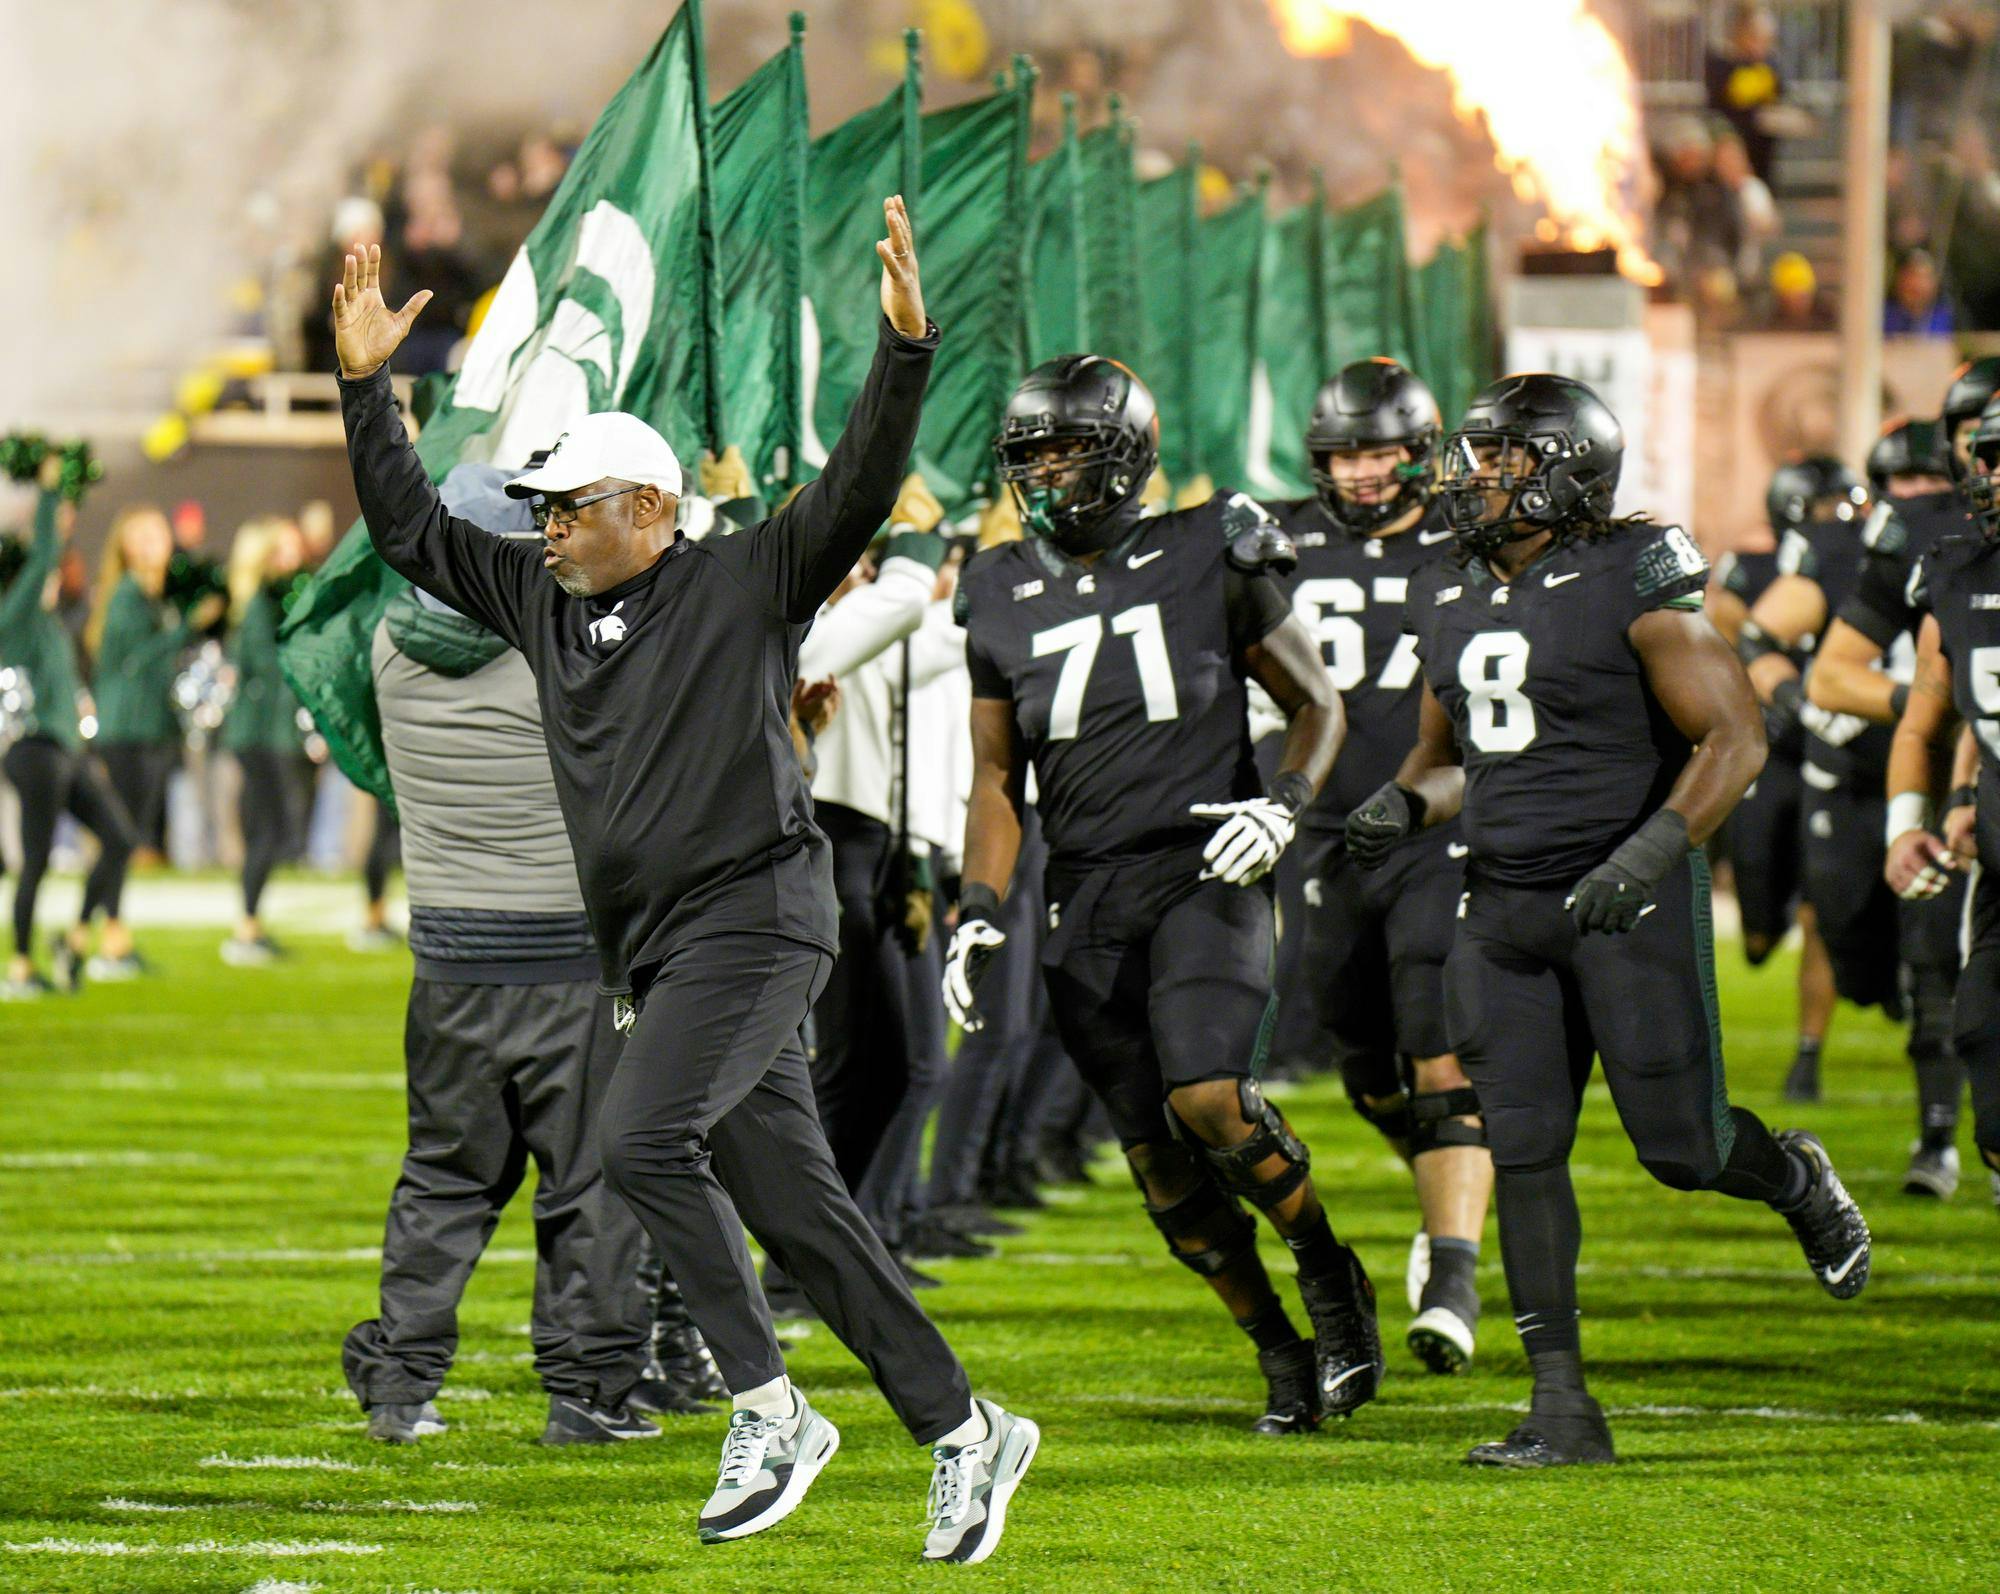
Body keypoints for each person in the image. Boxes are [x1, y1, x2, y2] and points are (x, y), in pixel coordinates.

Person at [331, 209, 1036, 1563]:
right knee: (806, 1219)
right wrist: (370, 392)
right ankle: (964, 1429)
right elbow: (414, 533)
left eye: (567, 505)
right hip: (654, 950)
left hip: (758, 915)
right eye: (536, 507)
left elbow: (856, 481)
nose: (542, 525)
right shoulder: (540, 598)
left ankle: (769, 1407)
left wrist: (904, 349)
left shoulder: (745, 577)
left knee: (642, 1137)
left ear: (649, 510)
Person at [1348, 373, 1870, 1468]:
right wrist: (1401, 801)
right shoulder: (1446, 587)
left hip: (1620, 899)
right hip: (1498, 908)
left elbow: (1732, 738)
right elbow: (1449, 762)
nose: (1472, 479)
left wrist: (1645, 854)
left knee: (1679, 1149)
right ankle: (1561, 1407)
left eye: (1500, 460)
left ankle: (1791, 1176)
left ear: (1563, 472)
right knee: (1524, 1146)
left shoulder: (1625, 573)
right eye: (1471, 458)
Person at [945, 352, 1380, 1437]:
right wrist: (978, 906)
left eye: (1065, 449)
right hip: (1083, 891)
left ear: (1125, 455)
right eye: (1028, 453)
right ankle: (1275, 1348)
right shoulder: (996, 584)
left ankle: (1326, 1270)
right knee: (1154, 1160)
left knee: (1206, 1098)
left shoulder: (1207, 547)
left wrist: (1281, 803)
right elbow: (995, 777)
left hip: (1205, 865)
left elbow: (1317, 704)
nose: (1042, 472)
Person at [342, 463, 701, 1445]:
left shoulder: (384, 645)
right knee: (588, 1184)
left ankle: (399, 1388)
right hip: (567, 960)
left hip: (449, 959)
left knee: (443, 1178)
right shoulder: (558, 644)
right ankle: (587, 1393)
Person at [1259, 359, 1491, 1375]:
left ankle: (1453, 1275)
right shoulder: (1277, 541)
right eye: (1342, 453)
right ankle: (1454, 1184)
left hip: (1433, 825)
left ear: (1419, 451)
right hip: (1318, 834)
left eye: (1376, 450)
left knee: (1436, 1046)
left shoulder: (1469, 537)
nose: (1356, 472)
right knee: (1361, 1062)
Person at [1806, 406, 1980, 1195]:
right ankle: (1940, 1137)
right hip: (1942, 782)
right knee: (1925, 964)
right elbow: (1830, 670)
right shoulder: (1931, 543)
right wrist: (1942, 704)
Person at [1884, 395, 2000, 1203]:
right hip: (1997, 868)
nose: (1991, 475)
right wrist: (1915, 821)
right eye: (1988, 456)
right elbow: (1929, 722)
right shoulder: (1956, 569)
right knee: (1981, 1042)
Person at [0, 458, 138, 1000]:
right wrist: (51, 495)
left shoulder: (50, 624)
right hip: (33, 749)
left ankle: (74, 939)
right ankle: (19, 966)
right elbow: (42, 557)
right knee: (35, 858)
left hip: (65, 747)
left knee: (121, 839)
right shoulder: (16, 616)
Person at [1704, 540, 1835, 1103]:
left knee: (1820, 913)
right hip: (1769, 748)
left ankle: (1808, 1057)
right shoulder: (1750, 571)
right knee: (1757, 936)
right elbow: (1723, 632)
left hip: (1829, 750)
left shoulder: (1853, 561)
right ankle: (1769, 917)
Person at [82, 504, 224, 978]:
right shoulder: (126, 595)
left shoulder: (156, 595)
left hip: (150, 730)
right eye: (140, 535)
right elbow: (139, 662)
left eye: (157, 535)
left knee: (126, 837)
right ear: (124, 545)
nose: (152, 543)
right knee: (121, 838)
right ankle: (99, 936)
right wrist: (187, 625)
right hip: (128, 732)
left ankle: (107, 936)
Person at [218, 517, 307, 966]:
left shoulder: (279, 602)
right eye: (287, 549)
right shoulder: (261, 603)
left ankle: (249, 925)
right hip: (258, 735)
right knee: (267, 830)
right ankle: (245, 929)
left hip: (273, 734)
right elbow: (261, 665)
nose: (296, 557)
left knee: (270, 830)